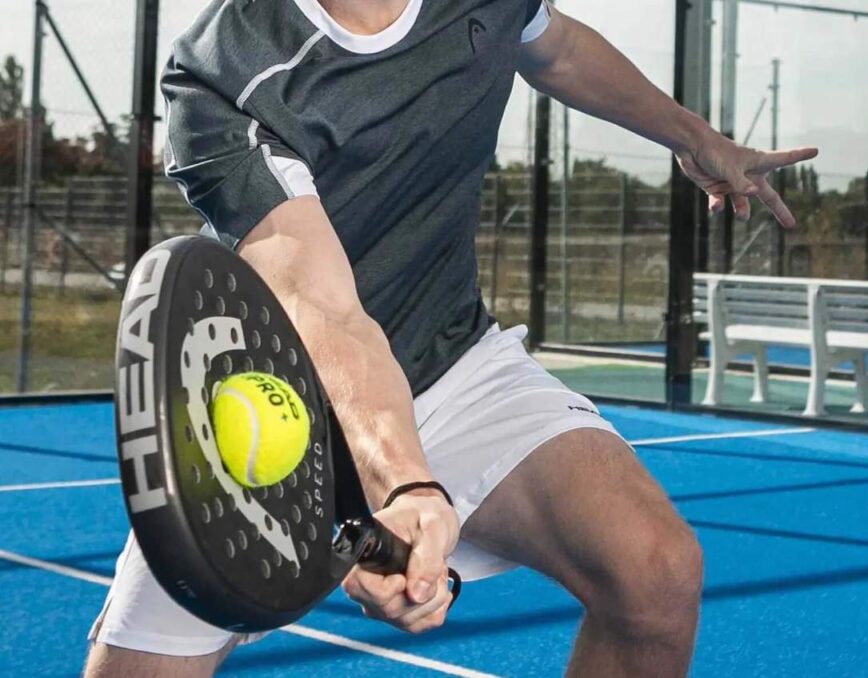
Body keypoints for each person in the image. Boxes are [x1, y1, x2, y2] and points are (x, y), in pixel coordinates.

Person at [84, 1, 817, 675]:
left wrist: (696, 139)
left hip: (455, 361)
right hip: (284, 400)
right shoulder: (222, 76)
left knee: (655, 570)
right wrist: (402, 482)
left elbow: (554, 48)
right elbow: (322, 303)